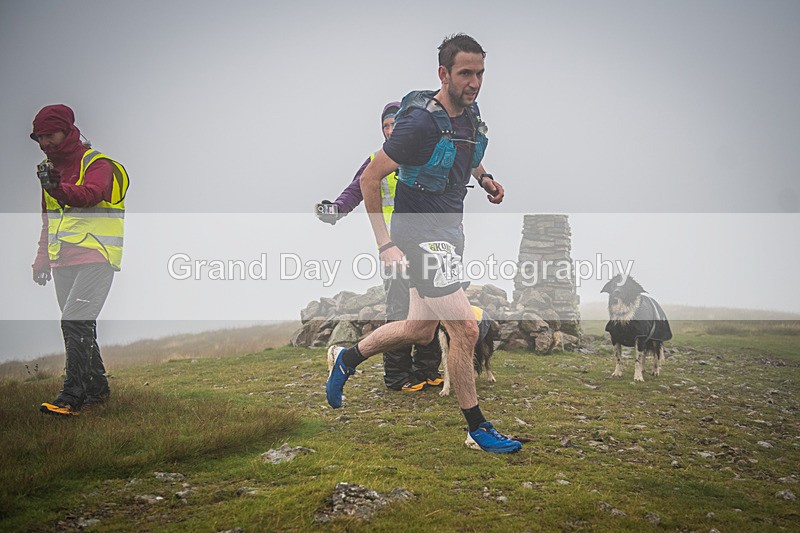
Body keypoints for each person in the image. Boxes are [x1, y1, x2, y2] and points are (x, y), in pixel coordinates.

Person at [326, 34, 521, 453]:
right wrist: (385, 244)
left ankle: (347, 358)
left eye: (480, 73)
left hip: (450, 232)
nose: (474, 82)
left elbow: (467, 153)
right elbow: (369, 177)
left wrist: (484, 179)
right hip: (420, 236)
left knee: (418, 329)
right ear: (444, 74)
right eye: (465, 73)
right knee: (465, 328)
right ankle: (478, 427)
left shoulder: (469, 114)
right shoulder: (418, 123)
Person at [316, 102, 443, 392]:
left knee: (433, 303)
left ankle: (427, 370)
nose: (391, 129)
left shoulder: (425, 155)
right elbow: (356, 189)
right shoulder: (377, 159)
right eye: (386, 125)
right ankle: (397, 376)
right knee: (400, 309)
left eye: (396, 123)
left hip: (428, 244)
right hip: (393, 246)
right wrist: (335, 209)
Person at [30, 104, 129, 417]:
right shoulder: (48, 169)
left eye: (50, 135)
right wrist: (41, 258)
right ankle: (97, 392)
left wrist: (58, 188)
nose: (45, 142)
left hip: (96, 258)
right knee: (81, 327)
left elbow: (92, 194)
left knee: (74, 322)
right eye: (39, 137)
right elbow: (50, 219)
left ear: (67, 130)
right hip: (62, 262)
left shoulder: (97, 163)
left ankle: (70, 398)